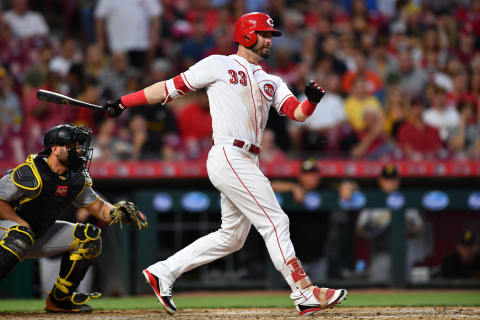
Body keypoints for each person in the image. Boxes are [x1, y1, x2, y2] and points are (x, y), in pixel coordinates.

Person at [103, 12, 347, 317]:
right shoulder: (218, 63)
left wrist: (311, 101)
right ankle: (304, 290)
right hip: (229, 153)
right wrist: (125, 101)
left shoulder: (272, 80)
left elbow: (297, 113)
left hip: (249, 159)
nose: (269, 40)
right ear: (246, 34)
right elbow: (169, 87)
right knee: (276, 220)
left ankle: (163, 271)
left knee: (232, 237)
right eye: (264, 34)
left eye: (270, 36)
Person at [0, 124, 148, 313]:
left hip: (34, 234)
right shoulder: (31, 172)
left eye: (80, 145)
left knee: (90, 237)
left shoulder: (75, 179)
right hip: (7, 232)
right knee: (20, 236)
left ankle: (59, 300)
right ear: (55, 148)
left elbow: (99, 207)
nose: (79, 150)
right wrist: (20, 223)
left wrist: (118, 213)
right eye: (73, 145)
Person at [356, 165, 424, 283]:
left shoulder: (407, 200)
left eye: (393, 180)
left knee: (405, 289)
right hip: (380, 254)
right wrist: (376, 231)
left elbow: (419, 227)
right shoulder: (372, 201)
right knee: (378, 288)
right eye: (387, 180)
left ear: (398, 181)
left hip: (403, 254)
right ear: (380, 181)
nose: (390, 183)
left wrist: (404, 230)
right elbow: (360, 229)